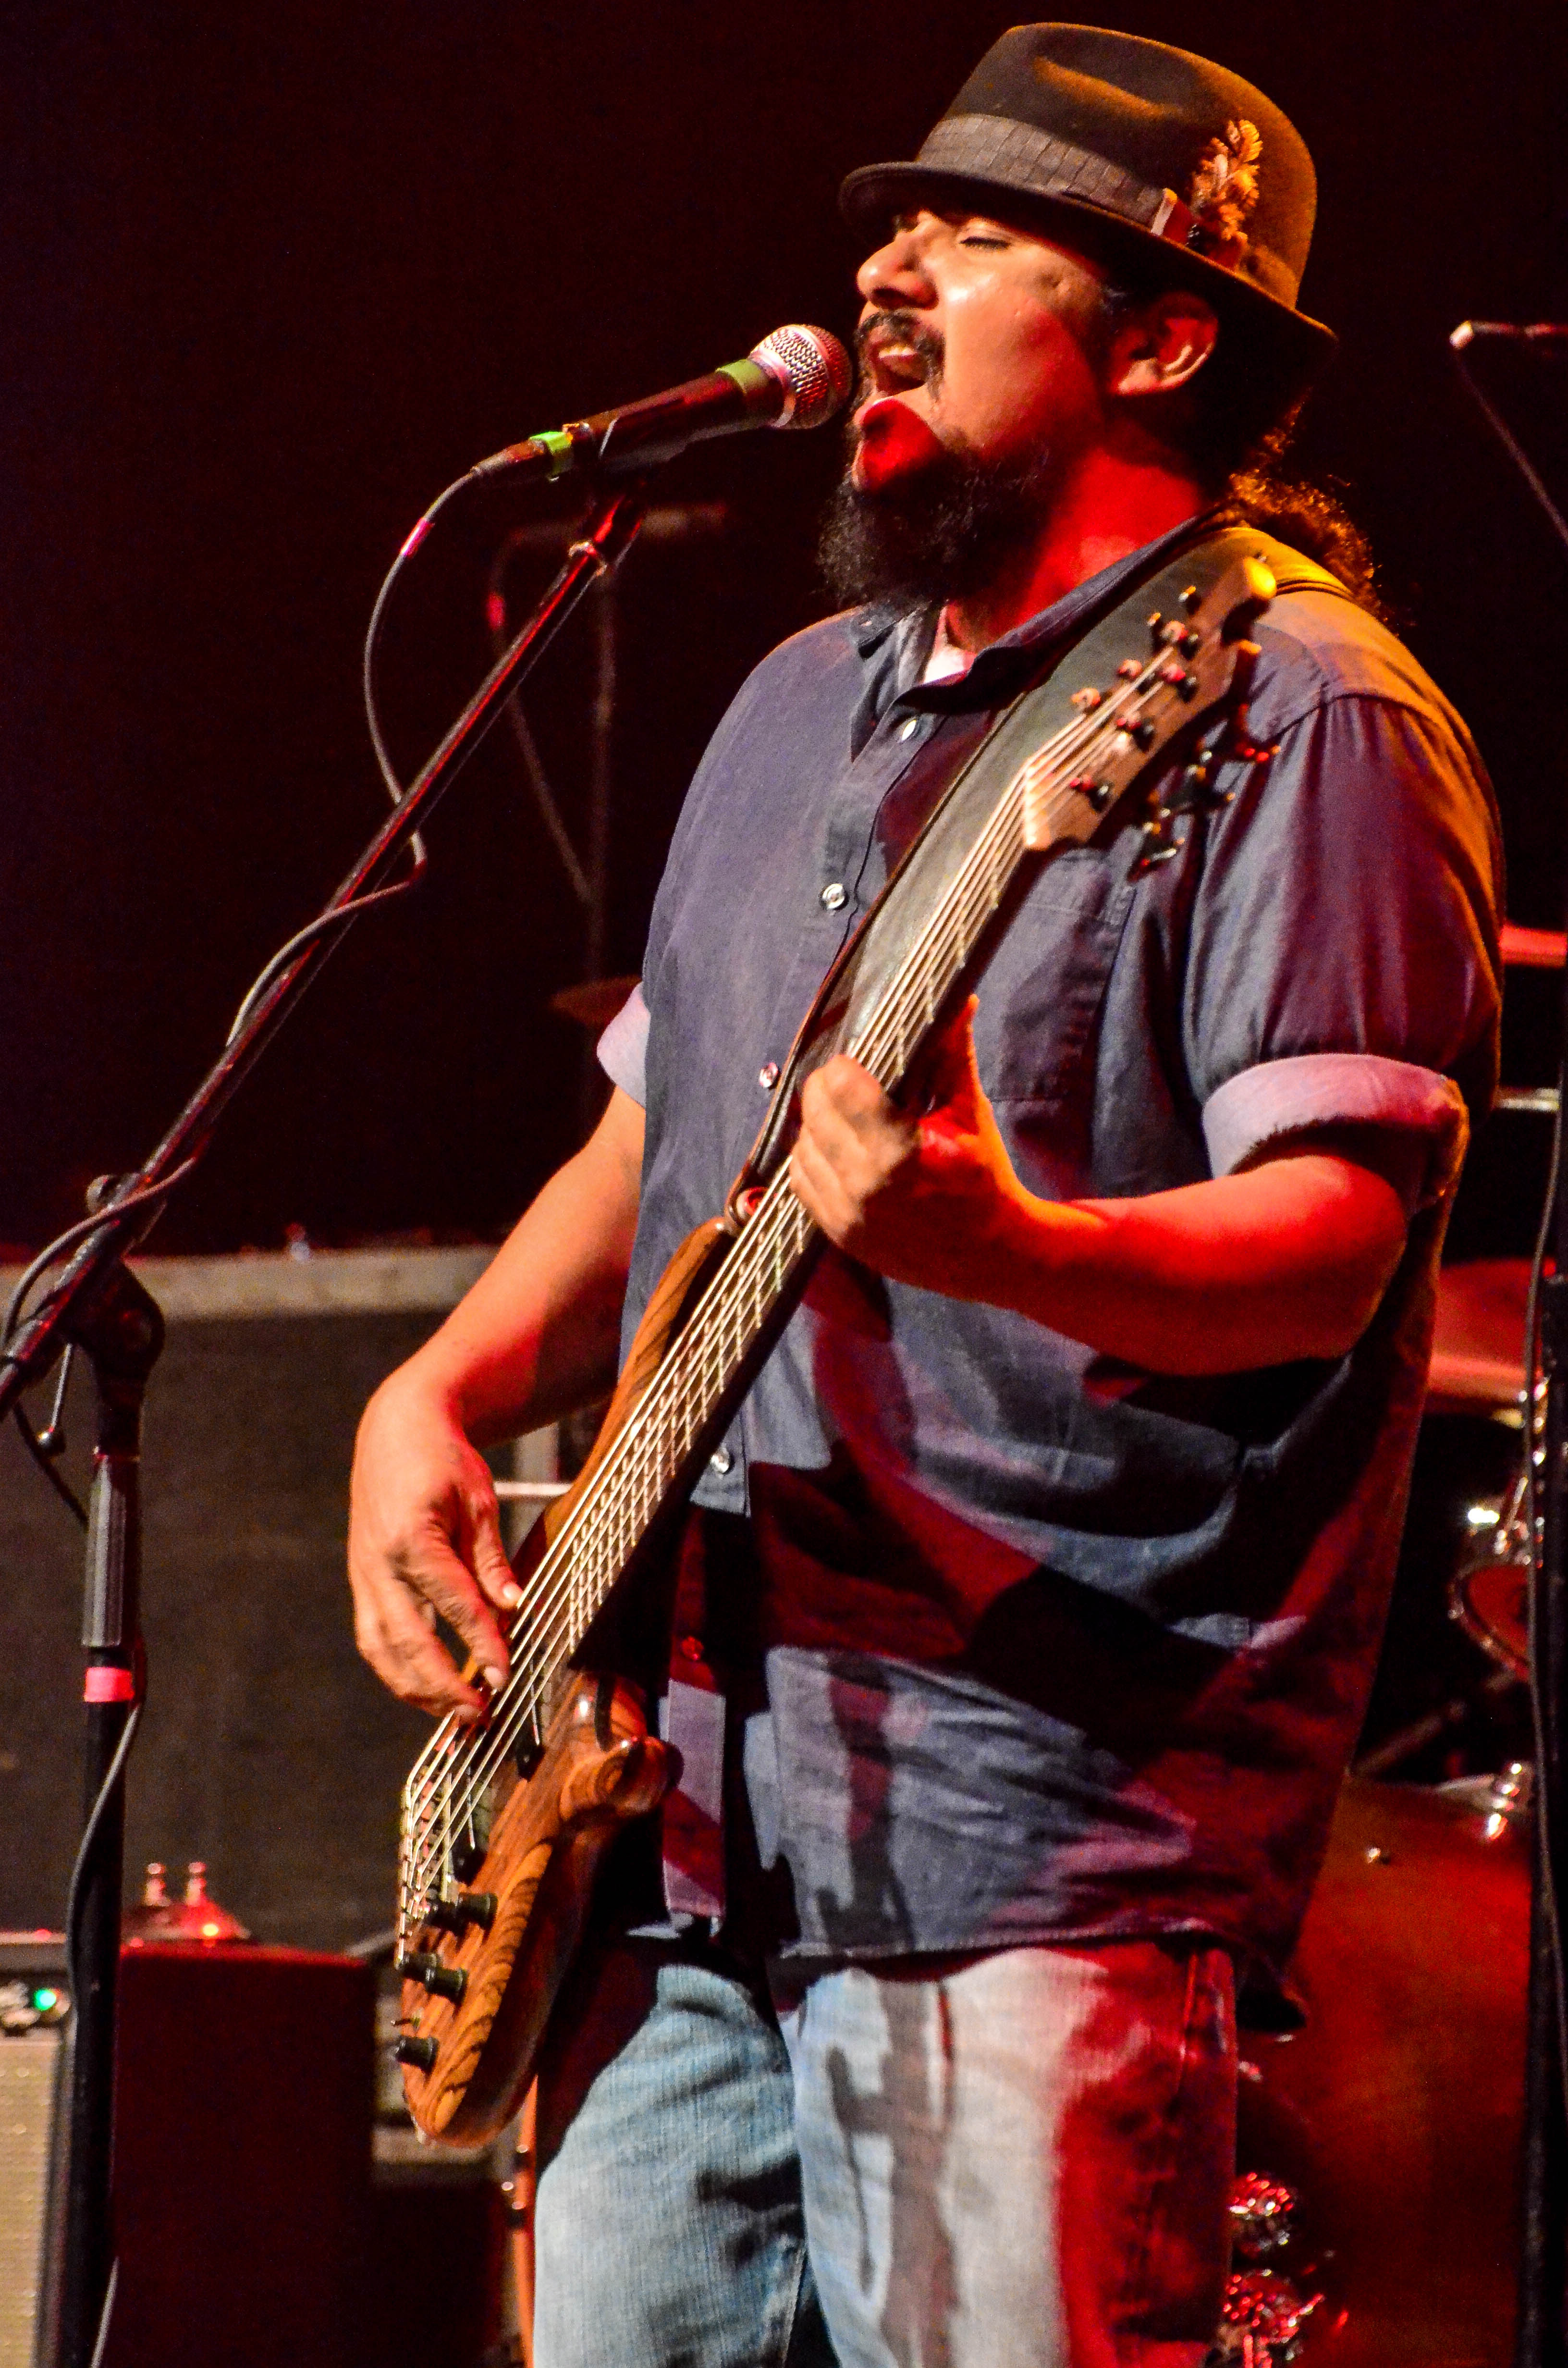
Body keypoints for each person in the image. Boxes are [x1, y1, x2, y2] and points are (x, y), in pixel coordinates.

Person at [348, 26, 1501, 2368]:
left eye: (981, 236)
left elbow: (1338, 1234)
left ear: (1165, 339)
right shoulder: (797, 700)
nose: (891, 264)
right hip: (663, 1830)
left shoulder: (1300, 710)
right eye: (898, 220)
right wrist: (440, 1382)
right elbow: (648, 1150)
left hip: (1028, 1828)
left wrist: (1002, 1239)